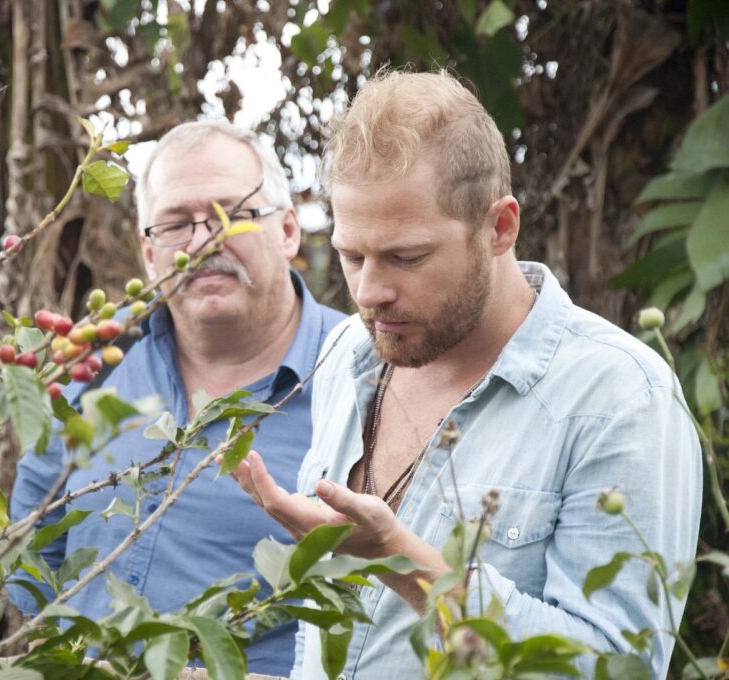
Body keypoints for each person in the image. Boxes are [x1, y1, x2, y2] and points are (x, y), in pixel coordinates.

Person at [226, 69, 702, 679]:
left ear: (500, 227)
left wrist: (403, 562)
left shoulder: (619, 398)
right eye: (352, 255)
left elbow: (618, 666)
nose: (370, 292)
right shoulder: (349, 351)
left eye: (407, 257)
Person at [7, 119, 346, 676]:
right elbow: (31, 539)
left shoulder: (357, 376)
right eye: (174, 224)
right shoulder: (98, 355)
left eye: (231, 216)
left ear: (288, 230)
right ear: (147, 253)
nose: (201, 241)